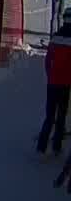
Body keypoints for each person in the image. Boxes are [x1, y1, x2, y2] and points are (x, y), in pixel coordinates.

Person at [43, 12, 71, 155]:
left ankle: (42, 146)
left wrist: (50, 75)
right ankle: (56, 147)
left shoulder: (55, 37)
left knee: (49, 115)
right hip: (66, 83)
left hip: (52, 81)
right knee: (61, 115)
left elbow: (48, 61)